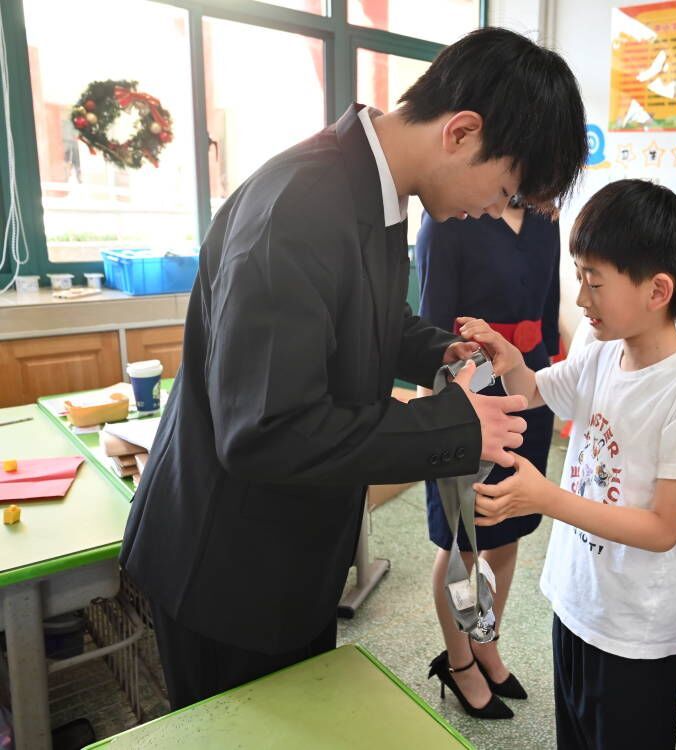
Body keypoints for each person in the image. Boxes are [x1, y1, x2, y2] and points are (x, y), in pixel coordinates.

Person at [119, 27, 586, 710]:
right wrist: (455, 426)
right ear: (461, 132)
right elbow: (266, 430)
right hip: (228, 567)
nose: (493, 208)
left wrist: (437, 350)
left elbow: (366, 316)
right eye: (504, 187)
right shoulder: (301, 206)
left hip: (293, 547)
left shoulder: (375, 192)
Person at [459, 179, 676, 749]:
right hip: (578, 601)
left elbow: (663, 528)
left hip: (635, 630)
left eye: (594, 281)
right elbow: (535, 389)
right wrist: (510, 360)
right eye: (578, 276)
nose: (581, 299)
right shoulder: (603, 353)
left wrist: (546, 498)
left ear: (657, 290)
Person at [415, 198, 560, 719]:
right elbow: (430, 330)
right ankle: (458, 663)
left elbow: (548, 314)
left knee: (508, 530)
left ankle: (485, 642)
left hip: (528, 386)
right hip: (468, 390)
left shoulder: (545, 217)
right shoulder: (454, 210)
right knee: (461, 540)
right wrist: (437, 418)